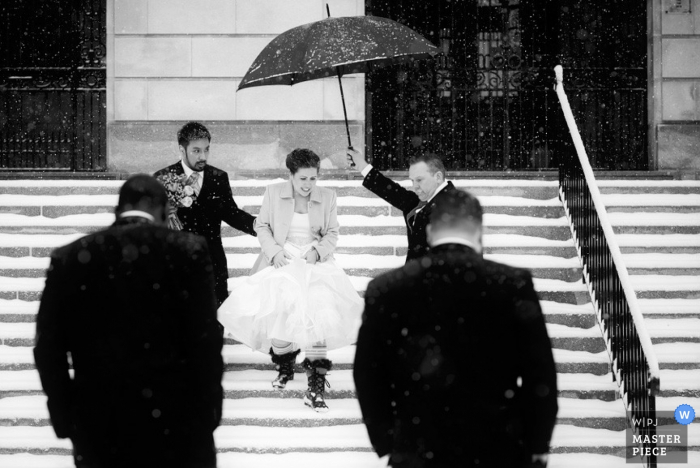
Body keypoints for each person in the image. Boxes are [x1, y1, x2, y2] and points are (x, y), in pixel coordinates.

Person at [354, 189, 558, 468]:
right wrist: (536, 445)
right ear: (479, 232)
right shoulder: (512, 284)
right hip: (497, 448)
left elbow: (368, 373)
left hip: (417, 447)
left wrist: (389, 440)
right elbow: (540, 373)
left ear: (430, 232)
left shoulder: (388, 288)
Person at [34, 175, 223, 468]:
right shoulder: (189, 251)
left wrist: (67, 418)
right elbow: (206, 339)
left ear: (117, 211)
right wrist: (208, 412)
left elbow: (48, 347)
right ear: (162, 212)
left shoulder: (71, 257)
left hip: (100, 425)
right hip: (177, 422)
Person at [218, 149, 363, 413]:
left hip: (314, 263)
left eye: (313, 179)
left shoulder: (328, 197)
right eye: (303, 179)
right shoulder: (274, 193)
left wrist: (318, 251)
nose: (308, 185)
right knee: (280, 318)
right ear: (291, 176)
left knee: (317, 321)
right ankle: (285, 364)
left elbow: (332, 233)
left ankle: (316, 383)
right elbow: (261, 226)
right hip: (281, 259)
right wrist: (274, 252)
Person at [154, 121, 256, 306]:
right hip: (177, 265)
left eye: (206, 150)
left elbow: (231, 213)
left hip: (212, 265)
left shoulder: (218, 177)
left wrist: (258, 225)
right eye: (196, 151)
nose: (203, 156)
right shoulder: (164, 177)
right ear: (182, 150)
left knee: (216, 322)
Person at [347, 148, 458, 263]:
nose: (415, 186)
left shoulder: (452, 207)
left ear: (438, 177)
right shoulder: (425, 199)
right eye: (412, 181)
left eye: (419, 180)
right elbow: (393, 192)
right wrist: (362, 166)